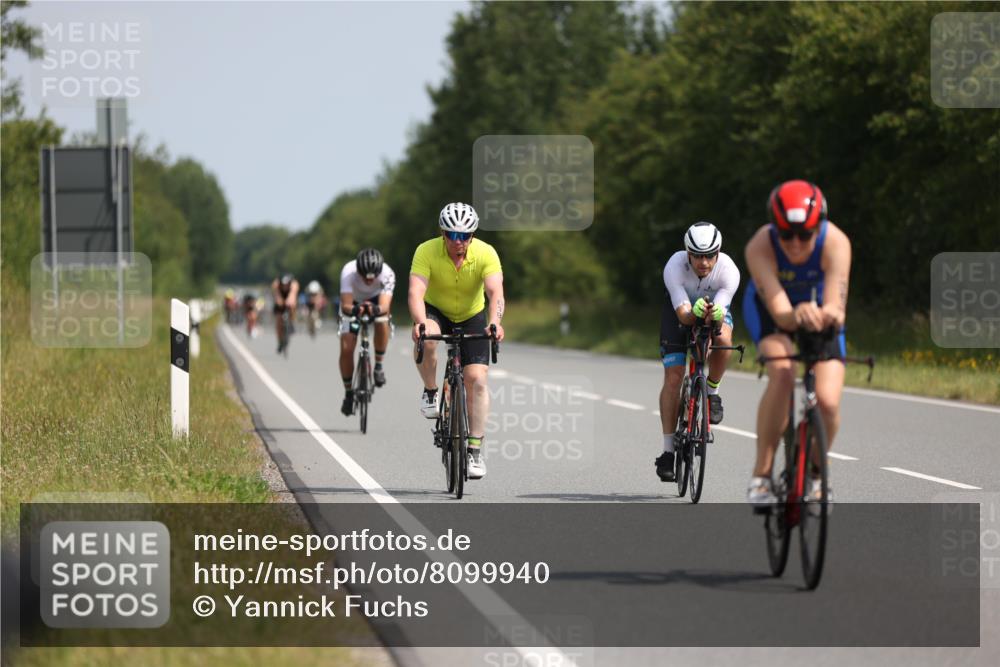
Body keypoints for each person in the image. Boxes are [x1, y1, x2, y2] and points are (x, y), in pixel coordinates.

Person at [743, 180, 851, 506]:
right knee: (784, 372)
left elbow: (838, 308)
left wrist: (825, 313)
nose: (794, 243)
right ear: (774, 228)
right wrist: (798, 314)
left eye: (804, 234)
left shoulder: (836, 242)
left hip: (819, 313)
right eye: (785, 234)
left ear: (819, 226)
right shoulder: (759, 246)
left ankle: (816, 473)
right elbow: (781, 312)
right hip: (772, 312)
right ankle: (761, 476)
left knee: (829, 403)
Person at [409, 202, 504, 480]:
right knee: (427, 339)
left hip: (472, 314)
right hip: (437, 311)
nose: (458, 241)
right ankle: (430, 390)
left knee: (476, 379)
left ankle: (474, 450)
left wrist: (495, 322)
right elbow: (416, 291)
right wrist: (420, 321)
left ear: (472, 236)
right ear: (443, 233)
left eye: (465, 236)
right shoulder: (426, 251)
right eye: (452, 234)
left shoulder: (486, 253)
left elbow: (495, 292)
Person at [655, 222, 741, 482]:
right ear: (688, 253)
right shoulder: (674, 266)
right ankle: (668, 452)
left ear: (718, 253)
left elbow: (721, 313)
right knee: (674, 377)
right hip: (679, 314)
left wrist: (715, 315)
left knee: (724, 338)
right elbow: (683, 314)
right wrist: (695, 313)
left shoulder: (729, 271)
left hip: (712, 312)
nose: (704, 262)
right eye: (698, 256)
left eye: (709, 256)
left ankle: (712, 392)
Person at [339, 249, 395, 416]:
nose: (369, 280)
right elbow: (345, 305)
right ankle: (349, 393)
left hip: (377, 301)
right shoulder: (348, 272)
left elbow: (385, 306)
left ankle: (378, 365)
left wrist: (375, 309)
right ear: (358, 271)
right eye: (365, 277)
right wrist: (356, 309)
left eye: (373, 277)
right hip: (353, 303)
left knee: (382, 320)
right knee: (347, 348)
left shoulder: (387, 273)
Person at [271, 273, 300, 354]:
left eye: (287, 284)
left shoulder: (294, 284)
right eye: (284, 284)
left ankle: (291, 322)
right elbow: (277, 295)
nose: (285, 286)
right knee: (279, 321)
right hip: (280, 300)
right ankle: (280, 342)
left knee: (293, 305)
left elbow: (293, 294)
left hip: (289, 300)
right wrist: (279, 301)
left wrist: (290, 300)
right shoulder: (276, 284)